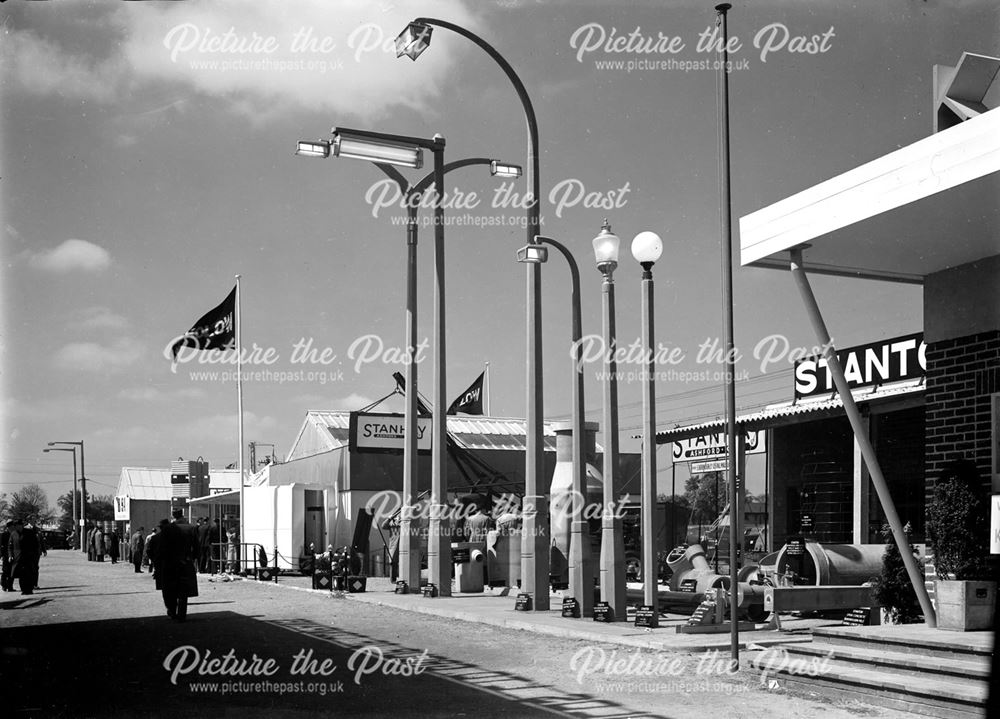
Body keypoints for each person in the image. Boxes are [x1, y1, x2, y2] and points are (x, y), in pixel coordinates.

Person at [155, 509, 200, 621]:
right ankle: (181, 614)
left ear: (172, 516)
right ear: (182, 515)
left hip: (169, 563)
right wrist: (191, 558)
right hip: (185, 562)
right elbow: (197, 548)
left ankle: (171, 610)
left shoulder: (167, 529)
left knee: (170, 588)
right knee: (183, 590)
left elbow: (161, 548)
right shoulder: (191, 528)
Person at [9, 520, 42, 595]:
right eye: (16, 525)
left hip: (28, 557)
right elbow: (10, 546)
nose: (17, 527)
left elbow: (35, 544)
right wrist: (10, 555)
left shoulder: (29, 532)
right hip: (18, 557)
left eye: (18, 525)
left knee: (28, 574)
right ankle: (23, 590)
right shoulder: (13, 534)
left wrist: (34, 554)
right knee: (21, 575)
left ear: (22, 525)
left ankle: (29, 589)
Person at [0, 521, 12, 592]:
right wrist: (1, 555)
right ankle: (4, 585)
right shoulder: (3, 535)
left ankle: (10, 586)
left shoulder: (13, 534)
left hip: (12, 555)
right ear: (8, 527)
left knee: (11, 571)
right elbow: (1, 546)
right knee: (5, 571)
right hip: (5, 555)